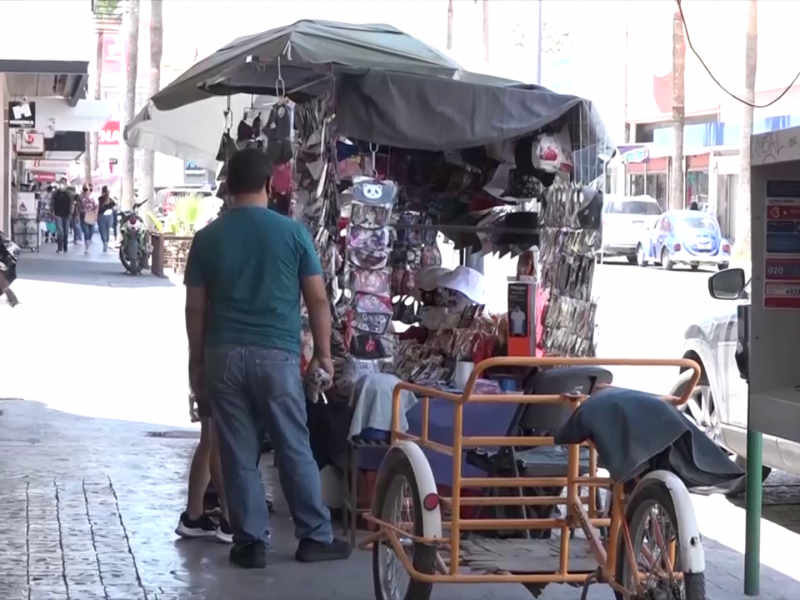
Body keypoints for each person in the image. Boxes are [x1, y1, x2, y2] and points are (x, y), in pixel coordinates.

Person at [183, 148, 351, 569]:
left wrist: (197, 365)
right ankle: (314, 536)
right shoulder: (293, 234)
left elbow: (194, 309)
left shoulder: (207, 238)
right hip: (277, 355)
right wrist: (324, 356)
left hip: (222, 355)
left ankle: (250, 542)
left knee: (238, 451)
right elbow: (317, 299)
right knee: (293, 445)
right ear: (269, 185)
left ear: (227, 186)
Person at [175, 393, 233, 543]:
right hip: (224, 376)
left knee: (208, 439)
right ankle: (231, 520)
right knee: (220, 438)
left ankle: (193, 516)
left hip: (206, 374)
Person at [52, 179, 73, 254]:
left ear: (66, 184)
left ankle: (65, 247)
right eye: (61, 183)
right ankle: (60, 247)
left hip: (66, 214)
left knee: (66, 231)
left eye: (63, 183)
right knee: (60, 231)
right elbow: (52, 203)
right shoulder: (55, 193)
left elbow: (71, 204)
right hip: (58, 214)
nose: (62, 184)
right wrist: (52, 212)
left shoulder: (69, 193)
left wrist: (71, 213)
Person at [97, 186, 116, 252]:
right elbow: (114, 206)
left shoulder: (99, 199)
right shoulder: (110, 199)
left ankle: (104, 242)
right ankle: (106, 242)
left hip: (101, 216)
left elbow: (97, 208)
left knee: (102, 230)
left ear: (102, 191)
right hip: (110, 216)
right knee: (107, 230)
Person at [81, 185, 98, 255]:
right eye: (85, 189)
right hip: (85, 216)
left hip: (92, 215)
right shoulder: (82, 197)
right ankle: (87, 247)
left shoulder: (94, 197)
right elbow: (79, 206)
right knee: (86, 231)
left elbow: (97, 206)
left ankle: (88, 243)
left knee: (91, 231)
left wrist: (96, 215)